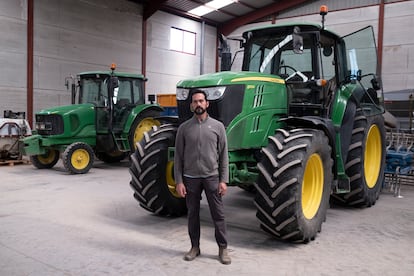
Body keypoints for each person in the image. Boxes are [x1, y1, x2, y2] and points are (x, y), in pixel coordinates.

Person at [174, 89, 231, 265]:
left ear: (207, 104)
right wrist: (179, 181)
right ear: (191, 105)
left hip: (211, 177)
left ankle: (223, 249)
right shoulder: (184, 128)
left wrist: (223, 180)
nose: (198, 104)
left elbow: (223, 155)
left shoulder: (218, 127)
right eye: (195, 101)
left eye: (201, 101)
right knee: (193, 214)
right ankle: (194, 247)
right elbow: (178, 157)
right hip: (190, 178)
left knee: (218, 215)